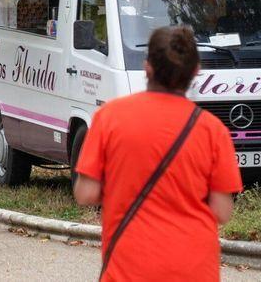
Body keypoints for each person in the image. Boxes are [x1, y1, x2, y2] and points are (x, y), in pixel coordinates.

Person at [74, 26, 242, 280]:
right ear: (195, 71)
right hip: (194, 269)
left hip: (129, 268)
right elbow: (222, 211)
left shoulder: (110, 117)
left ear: (147, 67)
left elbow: (86, 193)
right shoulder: (213, 131)